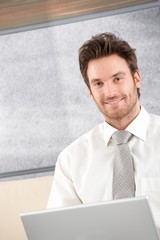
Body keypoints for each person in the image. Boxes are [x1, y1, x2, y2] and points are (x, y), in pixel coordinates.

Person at [47, 32, 160, 235]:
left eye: (117, 79)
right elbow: (60, 233)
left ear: (137, 78)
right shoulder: (71, 160)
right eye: (98, 83)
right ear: (90, 92)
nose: (110, 92)